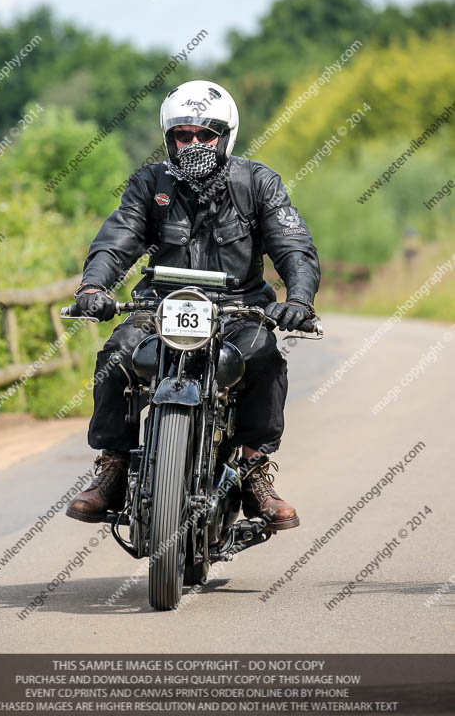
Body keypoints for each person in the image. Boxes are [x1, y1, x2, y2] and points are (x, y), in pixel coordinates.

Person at [67, 80, 320, 531]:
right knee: (117, 355)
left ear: (226, 136)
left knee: (263, 356)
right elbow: (117, 240)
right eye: (183, 135)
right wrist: (93, 288)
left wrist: (298, 298)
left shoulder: (258, 183)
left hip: (238, 309)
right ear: (169, 138)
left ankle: (253, 468)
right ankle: (114, 466)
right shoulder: (150, 183)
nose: (195, 144)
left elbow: (293, 247)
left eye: (207, 134)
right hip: (160, 306)